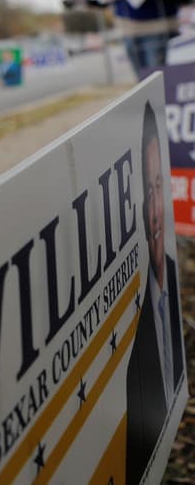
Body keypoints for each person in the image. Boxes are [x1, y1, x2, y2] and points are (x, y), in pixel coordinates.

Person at [125, 102, 185, 484]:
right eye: (147, 191)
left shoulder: (175, 282)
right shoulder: (133, 354)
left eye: (159, 185)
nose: (155, 209)